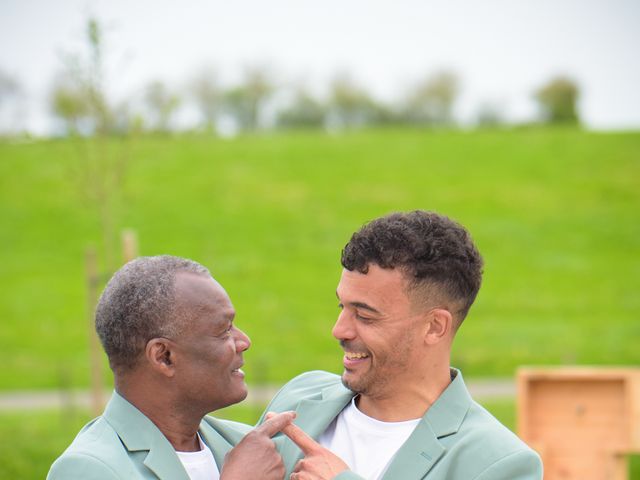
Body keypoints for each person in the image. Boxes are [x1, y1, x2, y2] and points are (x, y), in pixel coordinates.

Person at [261, 211, 543, 480]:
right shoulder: (298, 397)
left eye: (365, 316)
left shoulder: (499, 463)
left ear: (434, 327)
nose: (339, 330)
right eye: (341, 306)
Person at [48, 255, 295, 480]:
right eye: (224, 330)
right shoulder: (89, 468)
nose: (244, 342)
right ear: (164, 356)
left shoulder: (247, 446)